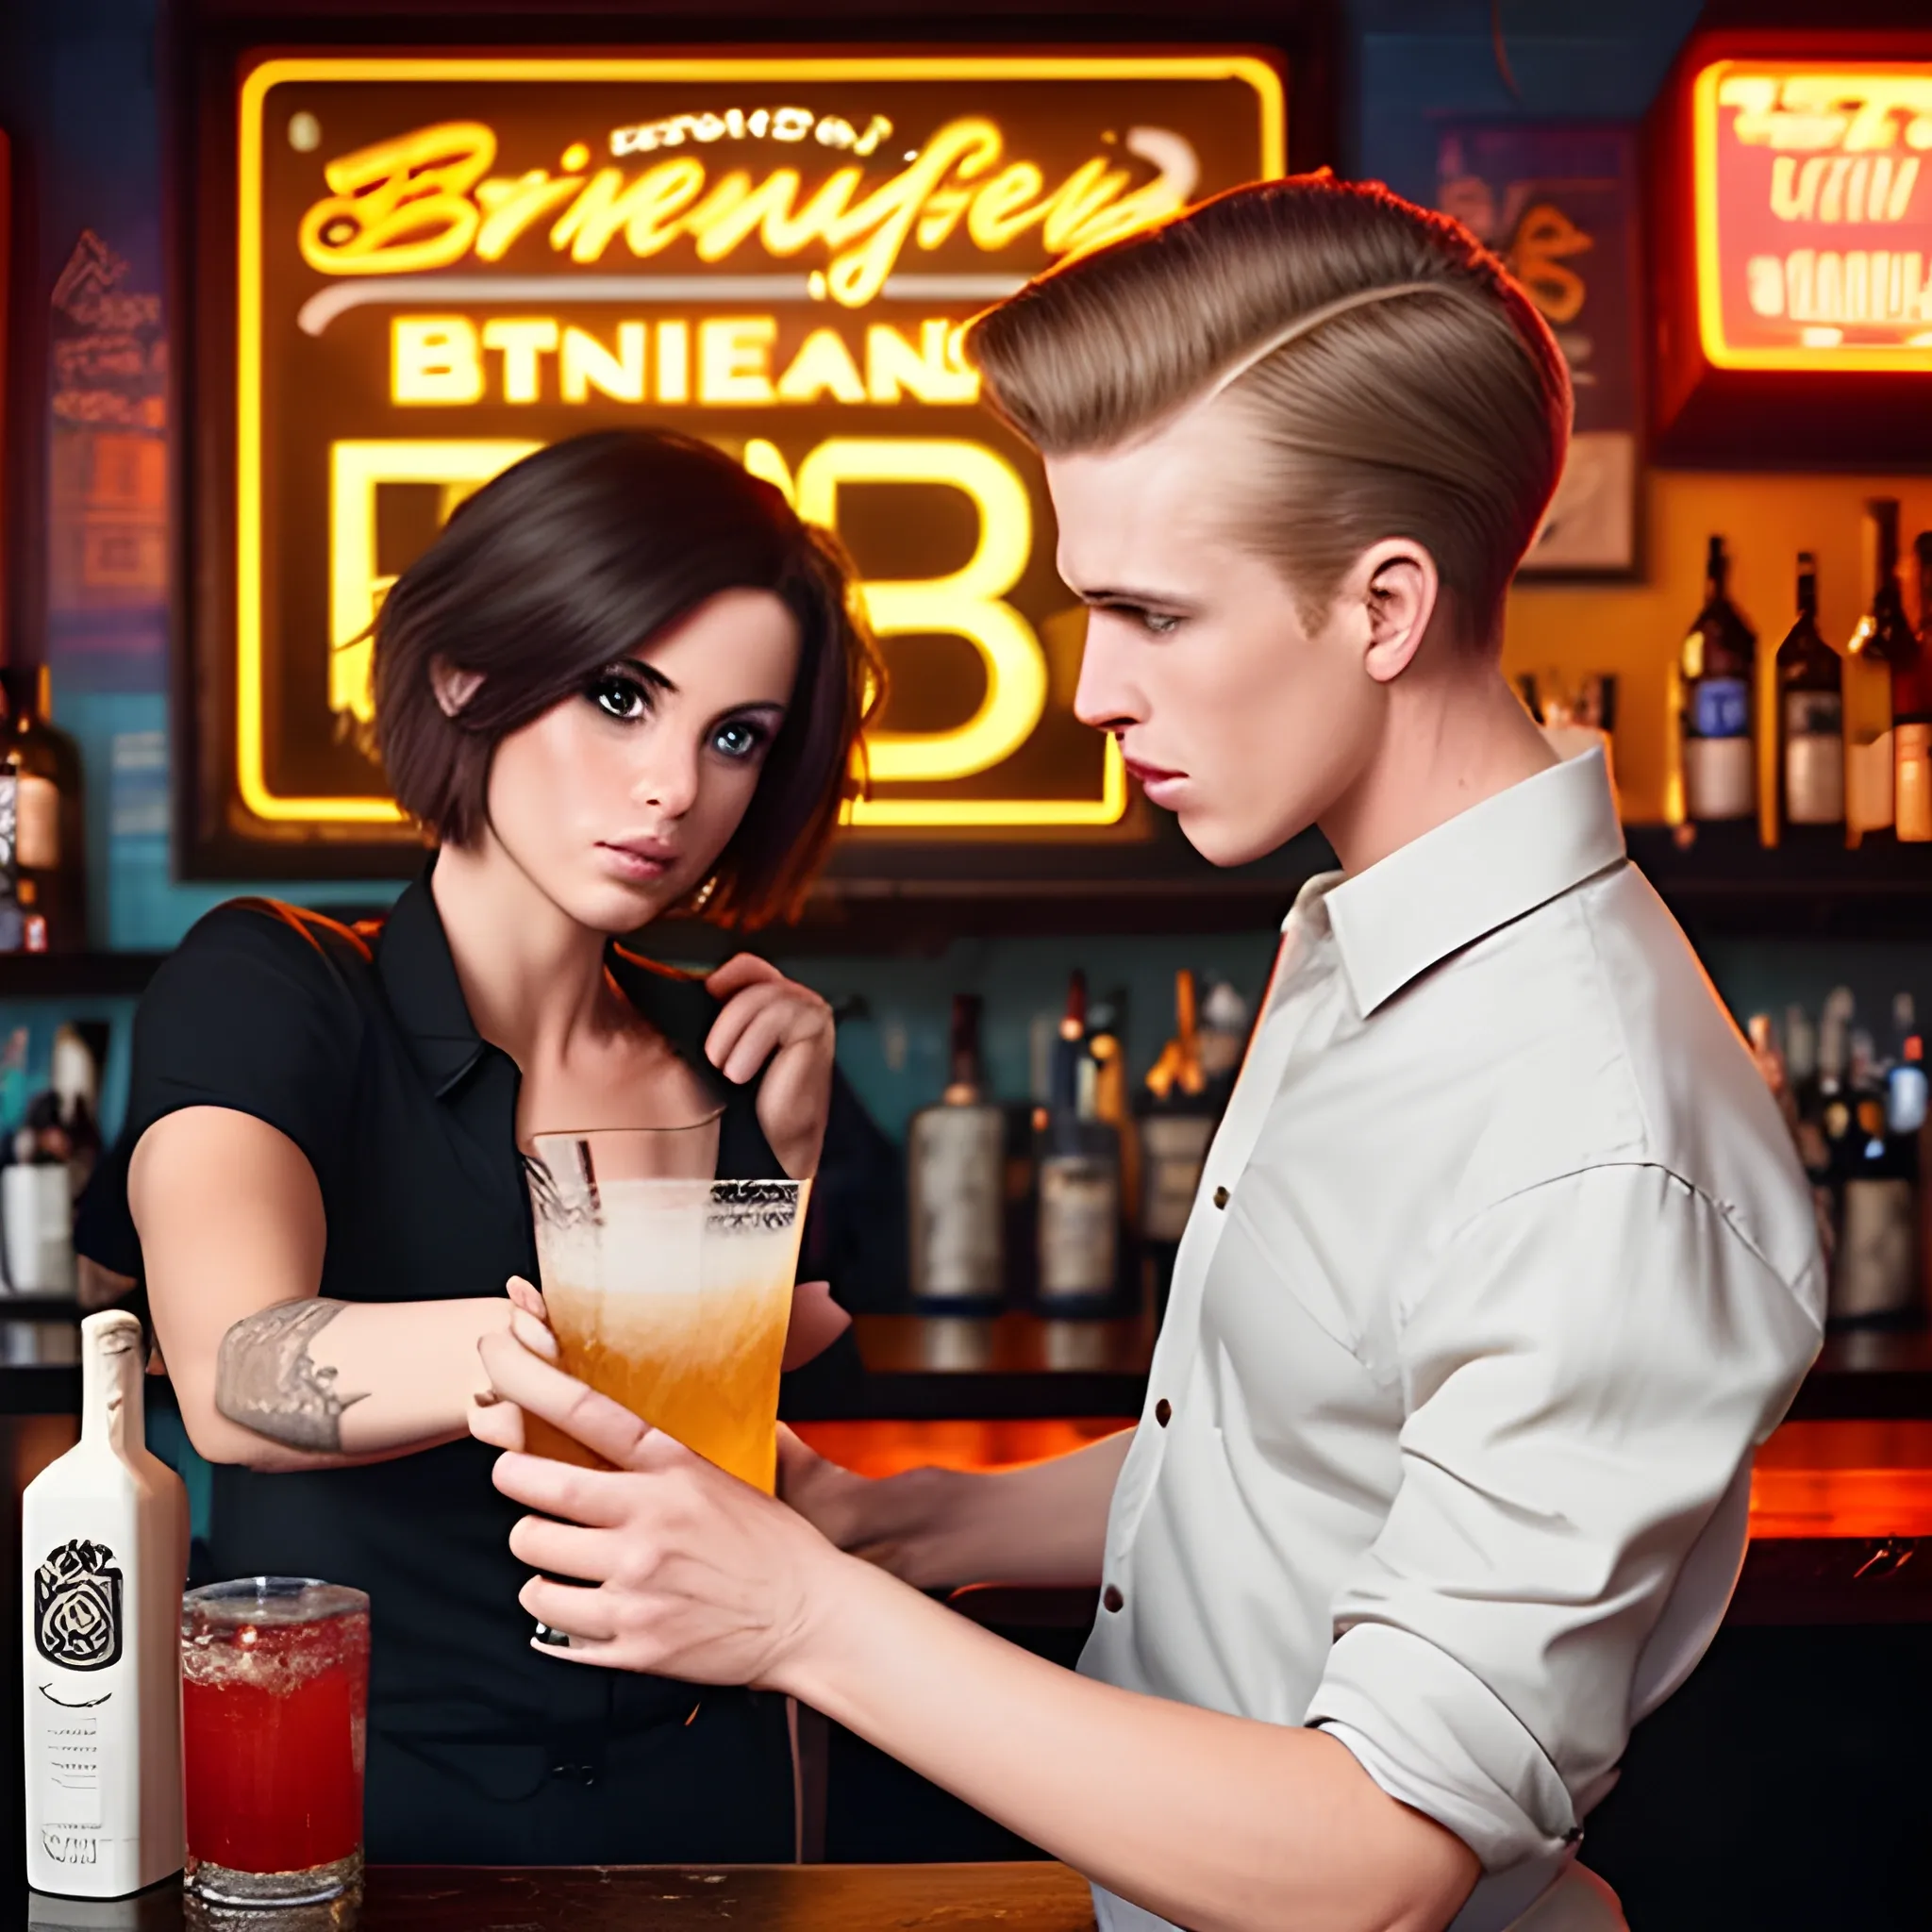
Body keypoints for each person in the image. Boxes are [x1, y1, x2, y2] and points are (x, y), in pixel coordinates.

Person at [471, 179, 1824, 1931]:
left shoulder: (1593, 1131)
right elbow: (1280, 1456)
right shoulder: (1369, 943)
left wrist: (803, 1616)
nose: (1094, 690)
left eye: (1155, 616)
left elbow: (1377, 1861)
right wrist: (894, 1527)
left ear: (1385, 607)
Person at [75, 429, 876, 1863]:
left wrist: (794, 1162)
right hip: (381, 1819)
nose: (673, 789)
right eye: (622, 696)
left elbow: (761, 1480)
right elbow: (235, 1376)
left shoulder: (747, 1052)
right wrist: (612, 1341)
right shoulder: (275, 983)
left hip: (718, 1806)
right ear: (466, 673)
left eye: (734, 736)